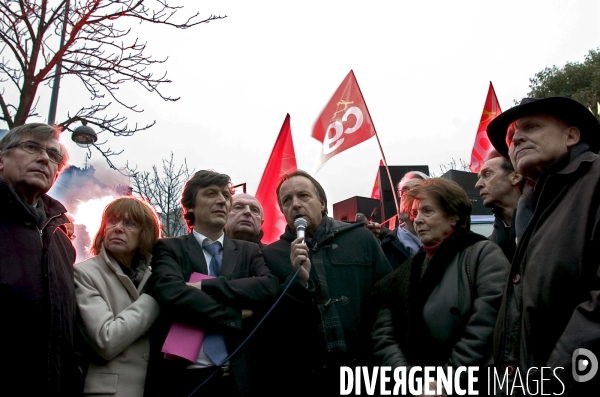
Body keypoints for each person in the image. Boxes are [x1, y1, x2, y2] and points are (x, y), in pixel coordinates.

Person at [486, 97, 600, 395]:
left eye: (532, 126)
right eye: (511, 137)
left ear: (571, 136)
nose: (517, 138)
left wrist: (552, 380)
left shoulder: (596, 180)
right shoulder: (531, 209)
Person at [254, 170, 392, 396]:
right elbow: (275, 324)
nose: (295, 204)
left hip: (368, 372)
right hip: (310, 380)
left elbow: (387, 296)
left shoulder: (361, 238)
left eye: (303, 196)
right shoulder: (271, 256)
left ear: (321, 203)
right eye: (287, 201)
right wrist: (298, 282)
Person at [145, 170, 279, 397]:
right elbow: (172, 295)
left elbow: (268, 287)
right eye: (211, 194)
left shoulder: (249, 251)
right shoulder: (169, 248)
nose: (221, 200)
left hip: (237, 380)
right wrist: (233, 315)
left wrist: (206, 287)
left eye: (226, 196)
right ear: (190, 206)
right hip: (184, 378)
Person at [372, 178, 509, 394]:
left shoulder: (483, 255)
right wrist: (413, 381)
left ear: (453, 216)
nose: (418, 221)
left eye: (427, 211)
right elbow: (384, 335)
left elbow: (486, 324)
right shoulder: (403, 274)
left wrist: (447, 380)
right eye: (415, 214)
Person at [0, 123, 84, 396]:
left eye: (53, 155)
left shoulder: (61, 240)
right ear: (2, 159)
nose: (44, 158)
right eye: (31, 147)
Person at [74, 197, 161, 397]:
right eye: (112, 221)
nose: (118, 228)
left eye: (130, 223)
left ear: (146, 233)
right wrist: (153, 299)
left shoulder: (158, 273)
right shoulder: (84, 274)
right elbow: (106, 340)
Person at [475, 151, 522, 260]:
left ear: (515, 177)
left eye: (487, 174)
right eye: (479, 178)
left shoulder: (547, 225)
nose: (477, 185)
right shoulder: (486, 248)